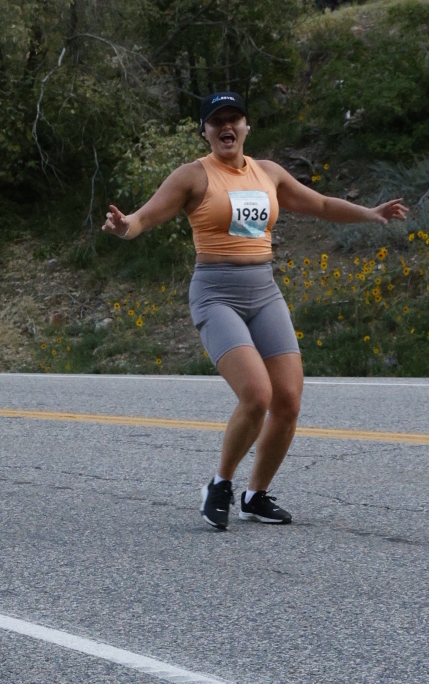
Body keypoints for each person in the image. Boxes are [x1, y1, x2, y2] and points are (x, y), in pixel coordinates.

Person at [102, 92, 407, 529]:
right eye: (216, 121)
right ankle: (220, 484)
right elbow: (143, 219)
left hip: (263, 292)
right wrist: (123, 226)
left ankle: (255, 495)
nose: (226, 126)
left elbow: (320, 204)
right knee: (257, 395)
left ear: (246, 127)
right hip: (216, 294)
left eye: (235, 119)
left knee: (288, 400)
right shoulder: (192, 176)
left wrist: (370, 213)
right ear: (205, 131)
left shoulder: (269, 173)